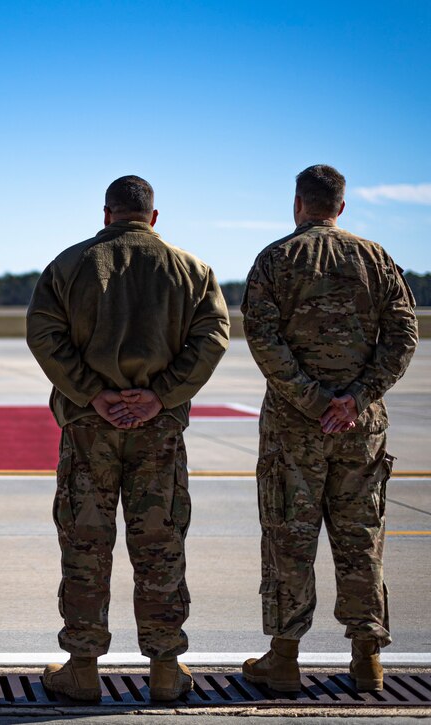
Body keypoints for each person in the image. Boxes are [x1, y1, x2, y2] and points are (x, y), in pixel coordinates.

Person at [26, 175, 229, 702]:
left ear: (106, 213)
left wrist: (92, 394)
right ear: (153, 216)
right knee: (160, 546)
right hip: (157, 429)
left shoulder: (70, 264)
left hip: (90, 427)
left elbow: (43, 333)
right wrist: (159, 396)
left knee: (86, 544)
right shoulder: (192, 269)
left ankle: (84, 668)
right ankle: (164, 668)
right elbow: (212, 338)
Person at [241, 165, 418, 693]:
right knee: (361, 539)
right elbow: (403, 335)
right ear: (341, 207)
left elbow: (263, 340)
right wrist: (355, 399)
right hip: (359, 429)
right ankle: (367, 659)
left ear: (298, 203)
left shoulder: (276, 259)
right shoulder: (377, 258)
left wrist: (315, 400)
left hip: (295, 429)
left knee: (289, 541)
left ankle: (284, 659)